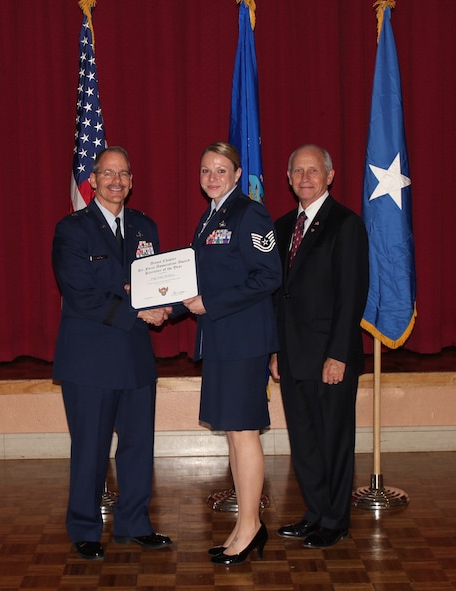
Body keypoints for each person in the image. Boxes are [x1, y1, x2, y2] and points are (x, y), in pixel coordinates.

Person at [51, 146, 173, 561]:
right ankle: (85, 528)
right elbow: (80, 294)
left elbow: (156, 282)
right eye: (108, 174)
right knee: (90, 448)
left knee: (139, 446)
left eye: (123, 174)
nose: (116, 181)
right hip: (89, 359)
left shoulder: (145, 227)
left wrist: (164, 304)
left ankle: (134, 524)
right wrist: (138, 309)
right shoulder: (72, 230)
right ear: (94, 181)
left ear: (132, 181)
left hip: (136, 355)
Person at [181, 142, 281, 565]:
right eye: (206, 170)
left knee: (243, 434)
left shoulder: (250, 213)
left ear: (238, 175)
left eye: (221, 170)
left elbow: (268, 276)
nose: (213, 177)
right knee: (234, 437)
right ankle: (245, 526)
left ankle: (250, 527)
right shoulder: (210, 218)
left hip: (244, 341)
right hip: (222, 341)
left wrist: (212, 303)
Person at [269, 144, 369, 549]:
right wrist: (276, 350)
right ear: (288, 178)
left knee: (334, 440)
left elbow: (352, 295)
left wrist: (339, 354)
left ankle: (335, 519)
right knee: (305, 441)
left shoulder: (346, 224)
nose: (305, 177)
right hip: (292, 355)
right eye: (298, 171)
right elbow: (278, 295)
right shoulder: (279, 228)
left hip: (331, 356)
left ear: (330, 176)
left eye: (313, 170)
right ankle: (314, 513)